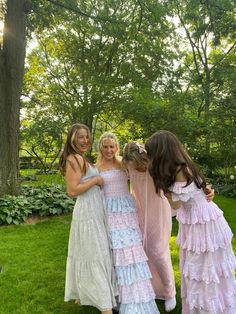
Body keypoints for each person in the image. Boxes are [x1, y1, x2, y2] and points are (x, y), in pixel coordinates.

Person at [145, 130, 236, 314]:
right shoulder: (182, 167)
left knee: (204, 270)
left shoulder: (180, 171)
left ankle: (210, 307)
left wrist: (164, 187)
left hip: (202, 224)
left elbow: (177, 203)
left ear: (161, 152)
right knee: (202, 269)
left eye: (152, 153)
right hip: (198, 221)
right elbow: (197, 192)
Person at [96, 132, 160, 314]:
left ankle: (137, 296)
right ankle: (117, 296)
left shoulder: (124, 162)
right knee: (116, 252)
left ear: (117, 147)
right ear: (101, 147)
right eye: (105, 146)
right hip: (109, 212)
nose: (109, 150)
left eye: (112, 146)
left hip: (126, 210)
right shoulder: (96, 167)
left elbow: (144, 171)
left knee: (132, 250)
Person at [59, 124, 117, 314]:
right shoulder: (73, 159)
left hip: (94, 211)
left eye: (87, 137)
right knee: (95, 253)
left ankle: (81, 293)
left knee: (88, 251)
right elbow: (72, 190)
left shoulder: (81, 158)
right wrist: (96, 180)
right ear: (72, 139)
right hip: (87, 213)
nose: (85, 141)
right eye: (80, 137)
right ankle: (105, 305)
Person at [122, 141, 176, 312]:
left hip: (158, 211)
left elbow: (177, 182)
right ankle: (152, 288)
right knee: (144, 251)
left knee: (158, 251)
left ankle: (170, 292)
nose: (137, 168)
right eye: (134, 165)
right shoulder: (127, 166)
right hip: (138, 212)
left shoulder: (155, 167)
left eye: (139, 164)